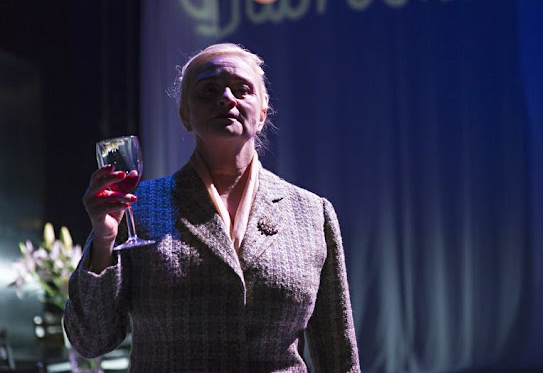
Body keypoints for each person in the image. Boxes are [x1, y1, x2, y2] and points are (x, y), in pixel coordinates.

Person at [63, 43, 360, 372]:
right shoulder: (137, 207)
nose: (226, 98)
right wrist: (104, 240)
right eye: (209, 90)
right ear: (185, 114)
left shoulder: (311, 213)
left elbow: (338, 355)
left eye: (242, 89)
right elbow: (90, 341)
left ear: (262, 113)